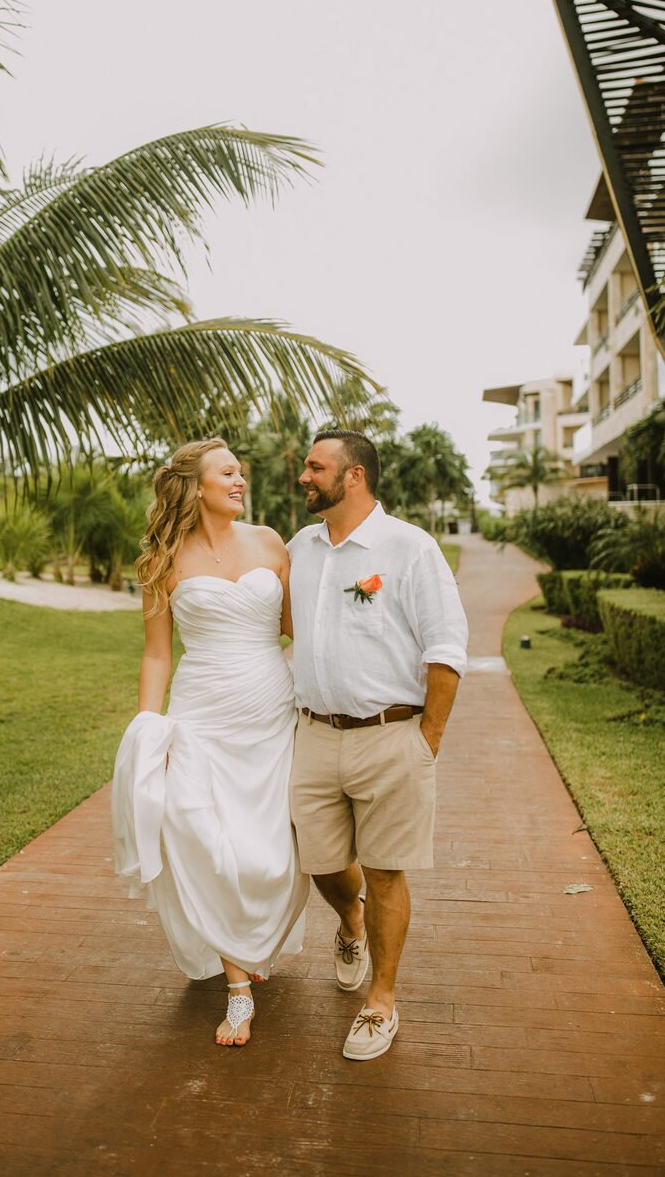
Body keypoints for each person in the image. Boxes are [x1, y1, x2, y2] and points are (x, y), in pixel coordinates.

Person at [111, 437, 309, 1048]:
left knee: (271, 849)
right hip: (200, 716)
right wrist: (150, 729)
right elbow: (156, 652)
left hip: (272, 710)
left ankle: (310, 929)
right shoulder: (163, 556)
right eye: (228, 473)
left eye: (241, 472)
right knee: (202, 840)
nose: (240, 480)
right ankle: (238, 987)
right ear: (196, 486)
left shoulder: (272, 543)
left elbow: (295, 632)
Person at [287, 429, 468, 1061]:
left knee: (388, 872)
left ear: (354, 475)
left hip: (392, 735)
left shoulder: (409, 549)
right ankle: (350, 922)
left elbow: (446, 649)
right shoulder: (300, 548)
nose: (304, 477)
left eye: (315, 467)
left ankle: (381, 1002)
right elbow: (283, 626)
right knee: (320, 863)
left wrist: (427, 742)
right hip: (312, 734)